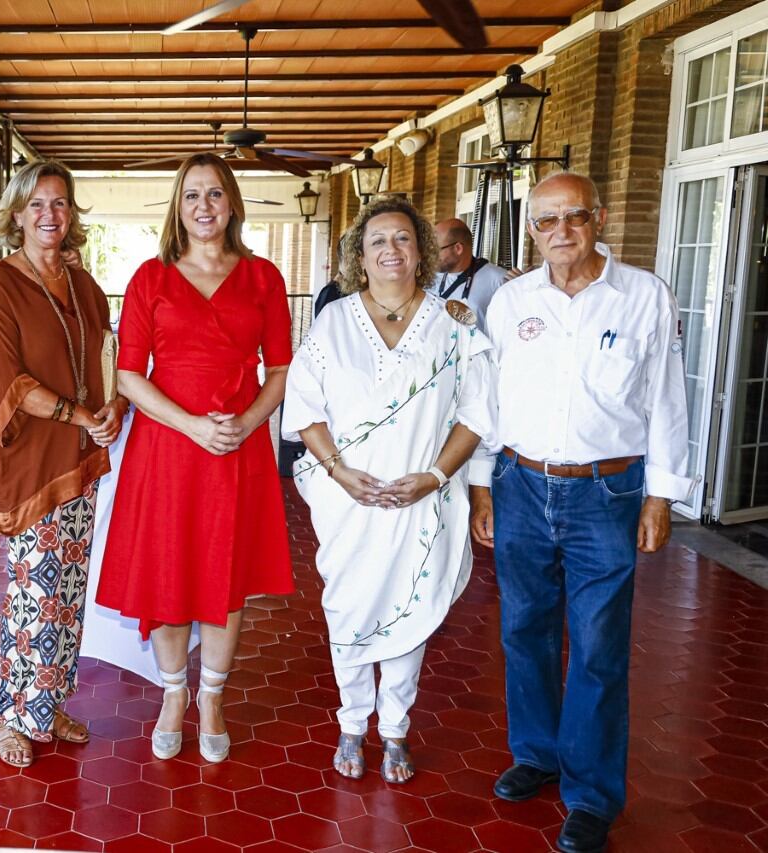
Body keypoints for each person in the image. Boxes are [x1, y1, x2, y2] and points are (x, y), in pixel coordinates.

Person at [468, 172, 694, 853]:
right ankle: (536, 753)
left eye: (575, 216)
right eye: (546, 220)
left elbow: (667, 399)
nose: (561, 230)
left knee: (597, 645)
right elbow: (488, 400)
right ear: (531, 230)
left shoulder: (644, 296)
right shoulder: (511, 302)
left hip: (608, 492)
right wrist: (481, 485)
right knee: (524, 629)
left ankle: (591, 792)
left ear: (600, 218)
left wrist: (661, 495)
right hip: (520, 483)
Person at [282, 196, 496, 785]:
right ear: (360, 255)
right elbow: (304, 407)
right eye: (378, 240)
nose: (391, 250)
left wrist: (434, 478)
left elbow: (477, 414)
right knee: (350, 607)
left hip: (423, 499)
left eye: (403, 238)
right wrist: (339, 472)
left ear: (422, 251)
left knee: (412, 606)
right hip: (348, 502)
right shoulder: (334, 321)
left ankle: (396, 727)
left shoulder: (455, 323)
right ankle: (352, 722)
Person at [96, 152, 296, 765]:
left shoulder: (263, 278)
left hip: (236, 447)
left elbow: (281, 369)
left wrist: (245, 425)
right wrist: (190, 426)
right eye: (191, 195)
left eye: (214, 194)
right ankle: (173, 694)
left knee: (224, 574)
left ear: (232, 203)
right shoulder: (150, 278)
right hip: (167, 447)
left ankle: (212, 698)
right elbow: (129, 375)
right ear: (177, 208)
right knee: (169, 568)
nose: (203, 206)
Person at [0, 160, 126, 768]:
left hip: (78, 457)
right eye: (36, 204)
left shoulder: (83, 285)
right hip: (33, 461)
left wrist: (109, 409)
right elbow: (5, 380)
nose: (49, 215)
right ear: (16, 214)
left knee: (68, 590)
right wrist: (79, 414)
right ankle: (10, 714)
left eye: (59, 203)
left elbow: (106, 359)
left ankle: (47, 703)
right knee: (32, 591)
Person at [433, 218, 509, 333]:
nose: (430, 255)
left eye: (435, 250)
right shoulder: (430, 279)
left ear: (458, 248)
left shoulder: (500, 280)